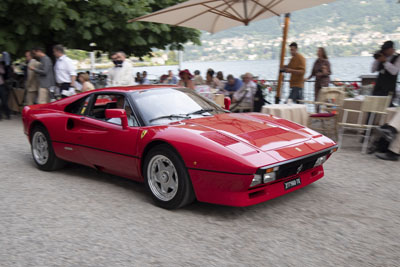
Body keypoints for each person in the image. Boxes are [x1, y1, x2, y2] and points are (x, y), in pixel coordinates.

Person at [371, 41, 400, 106]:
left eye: (387, 49)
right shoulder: (381, 56)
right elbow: (372, 70)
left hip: (389, 88)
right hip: (379, 87)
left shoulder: (397, 57)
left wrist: (385, 62)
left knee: (387, 107)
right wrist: (377, 59)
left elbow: (394, 71)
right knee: (374, 106)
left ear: (392, 49)